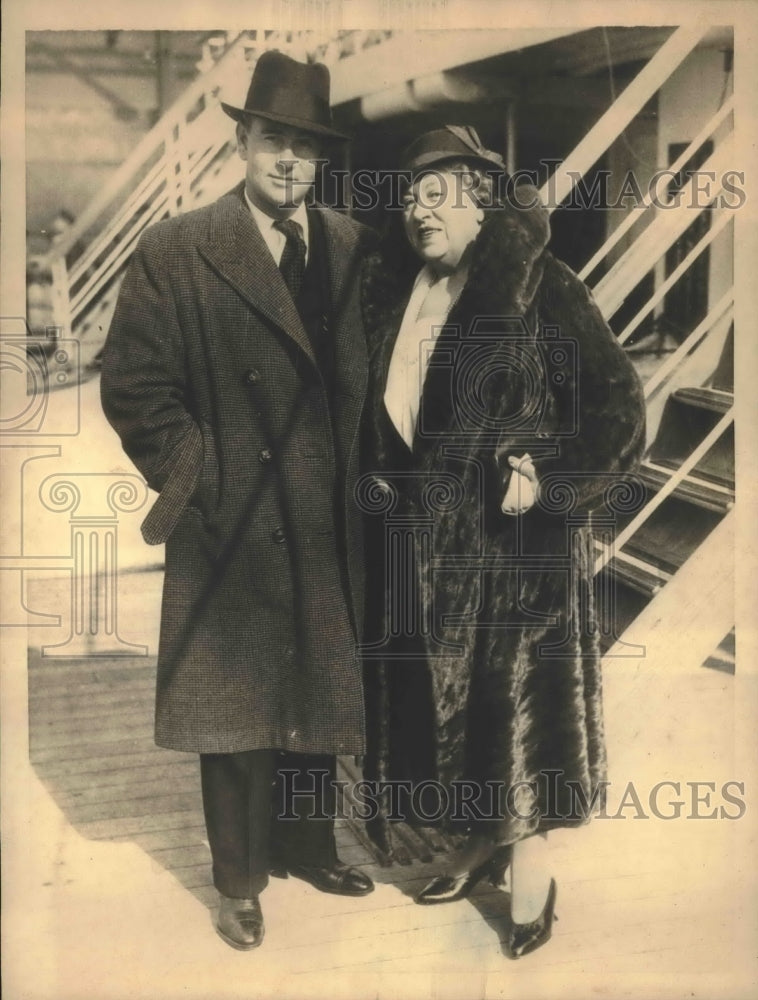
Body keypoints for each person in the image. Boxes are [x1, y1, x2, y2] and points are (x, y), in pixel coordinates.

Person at [100, 51, 377, 952]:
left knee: (316, 682)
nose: (289, 160)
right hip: (235, 512)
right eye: (273, 140)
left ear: (321, 158)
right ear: (242, 141)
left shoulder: (348, 243)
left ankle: (307, 845)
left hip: (324, 512)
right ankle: (239, 880)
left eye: (305, 146)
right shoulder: (178, 248)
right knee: (238, 706)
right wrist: (203, 472)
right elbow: (135, 384)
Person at [360, 126, 646, 958]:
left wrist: (549, 478)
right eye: (411, 197)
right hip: (431, 555)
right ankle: (476, 845)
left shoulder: (541, 287)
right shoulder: (404, 293)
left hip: (520, 561)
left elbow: (622, 409)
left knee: (518, 728)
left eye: (440, 195)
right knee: (457, 729)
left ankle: (529, 879)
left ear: (483, 203)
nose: (420, 211)